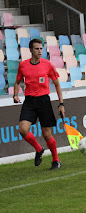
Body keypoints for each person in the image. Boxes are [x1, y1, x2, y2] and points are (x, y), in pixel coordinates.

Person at [13, 39, 65, 170]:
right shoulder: (23, 65)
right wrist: (15, 95)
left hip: (43, 101)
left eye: (41, 48)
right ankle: (39, 149)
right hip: (29, 101)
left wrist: (61, 104)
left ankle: (56, 160)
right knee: (23, 129)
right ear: (30, 50)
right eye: (37, 49)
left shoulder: (48, 64)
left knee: (47, 134)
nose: (40, 51)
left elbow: (57, 85)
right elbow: (17, 82)